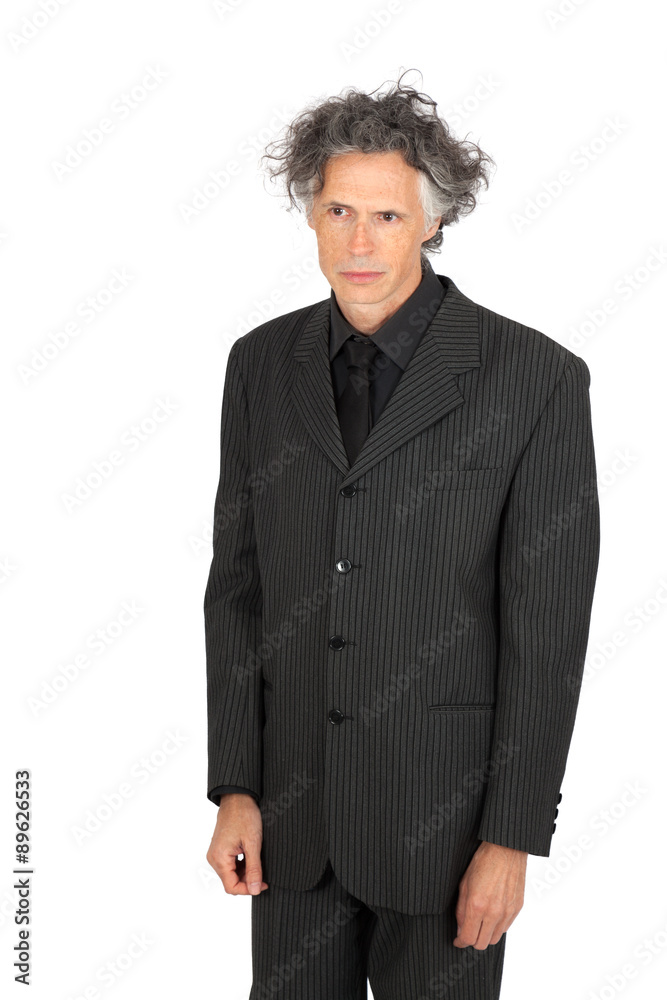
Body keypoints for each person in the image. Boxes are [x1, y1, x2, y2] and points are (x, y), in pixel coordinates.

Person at [204, 70, 600, 999]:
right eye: (338, 211)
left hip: (446, 834)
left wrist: (511, 838)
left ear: (432, 218)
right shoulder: (260, 364)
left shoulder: (534, 378)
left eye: (386, 216)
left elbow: (546, 632)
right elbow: (239, 589)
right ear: (310, 216)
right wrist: (236, 786)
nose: (359, 242)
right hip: (292, 830)